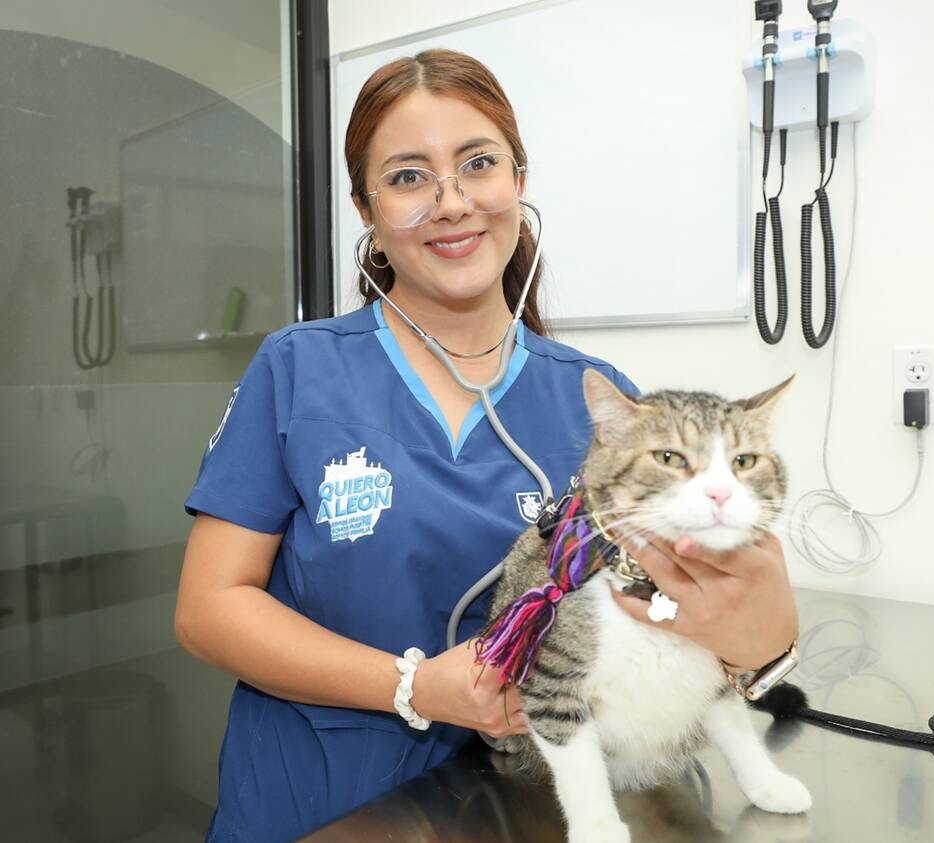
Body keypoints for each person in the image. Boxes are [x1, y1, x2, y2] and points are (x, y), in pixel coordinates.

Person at [175, 48, 798, 842]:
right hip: (320, 801)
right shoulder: (298, 369)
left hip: (525, 804)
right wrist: (414, 687)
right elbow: (207, 608)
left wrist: (761, 646)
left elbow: (677, 599)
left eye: (478, 163)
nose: (452, 202)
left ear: (519, 180)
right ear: (365, 208)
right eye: (407, 177)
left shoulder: (603, 400)